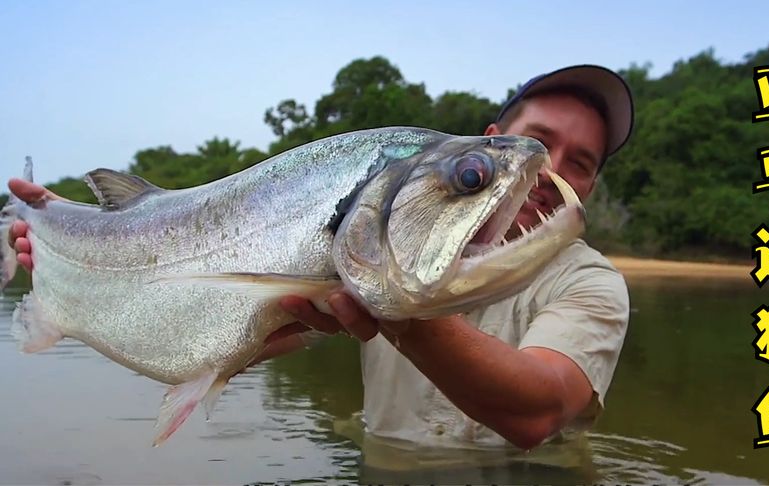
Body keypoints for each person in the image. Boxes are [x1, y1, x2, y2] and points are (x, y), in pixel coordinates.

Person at [8, 65, 634, 459]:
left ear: (594, 185)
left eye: (580, 161)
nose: (550, 168)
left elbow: (538, 410)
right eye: (536, 142)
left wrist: (392, 305)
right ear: (493, 138)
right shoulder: (386, 234)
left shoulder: (592, 283)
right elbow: (259, 331)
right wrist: (61, 226)